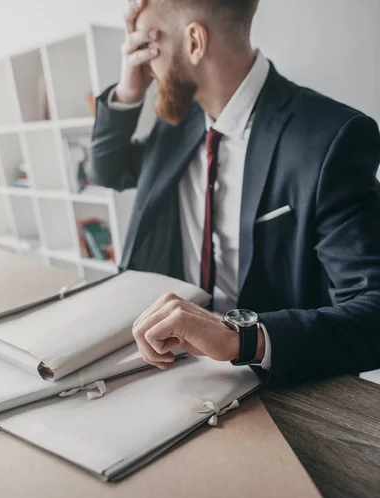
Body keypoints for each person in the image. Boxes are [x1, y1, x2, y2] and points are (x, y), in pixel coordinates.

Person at [91, 0, 380, 387]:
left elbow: (373, 314)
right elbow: (106, 170)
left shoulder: (330, 138)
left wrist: (240, 338)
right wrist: (128, 91)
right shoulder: (176, 125)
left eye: (150, 44)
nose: (144, 62)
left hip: (280, 383)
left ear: (194, 42)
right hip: (172, 368)